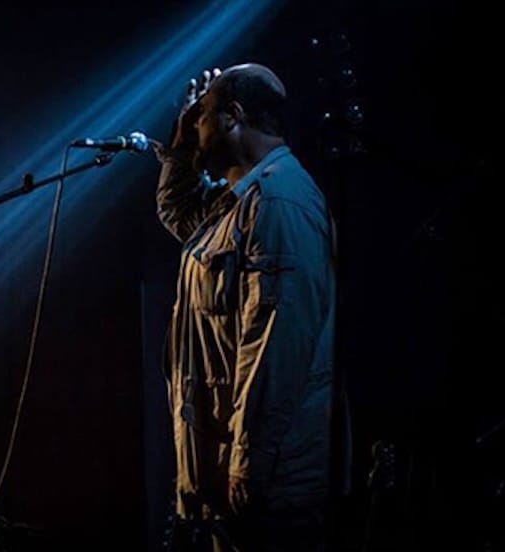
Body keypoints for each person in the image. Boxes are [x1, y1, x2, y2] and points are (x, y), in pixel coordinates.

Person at [153, 63, 339, 551]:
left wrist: (247, 464)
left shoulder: (278, 202)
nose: (194, 125)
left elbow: (275, 347)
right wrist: (181, 145)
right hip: (228, 484)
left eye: (202, 117)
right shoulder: (237, 201)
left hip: (265, 491)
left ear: (232, 117)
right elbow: (179, 213)